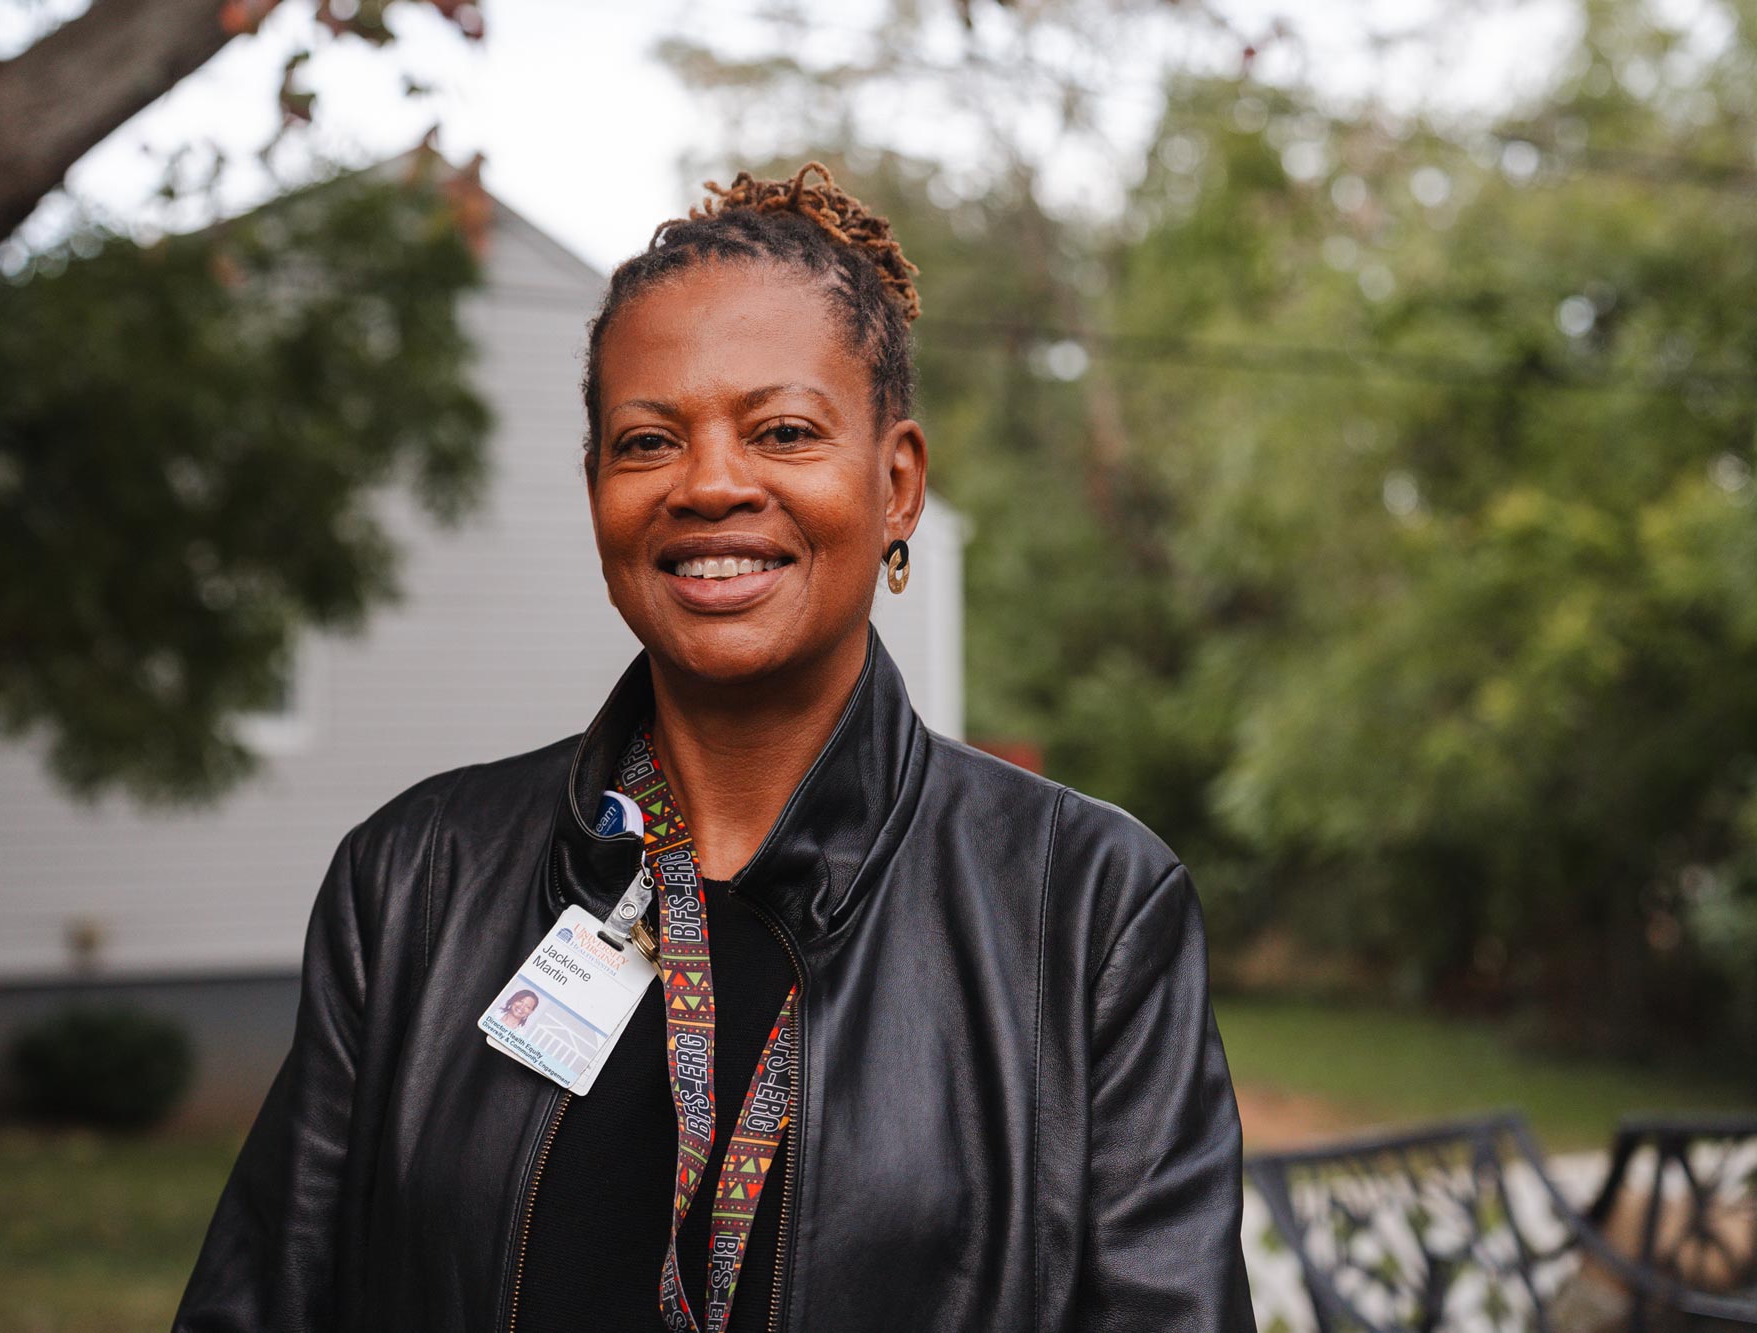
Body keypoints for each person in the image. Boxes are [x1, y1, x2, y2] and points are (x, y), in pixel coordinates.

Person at [174, 164, 1255, 1332]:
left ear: (895, 485)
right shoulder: (414, 881)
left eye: (782, 430)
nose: (711, 483)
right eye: (647, 441)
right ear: (595, 487)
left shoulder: (1083, 903)